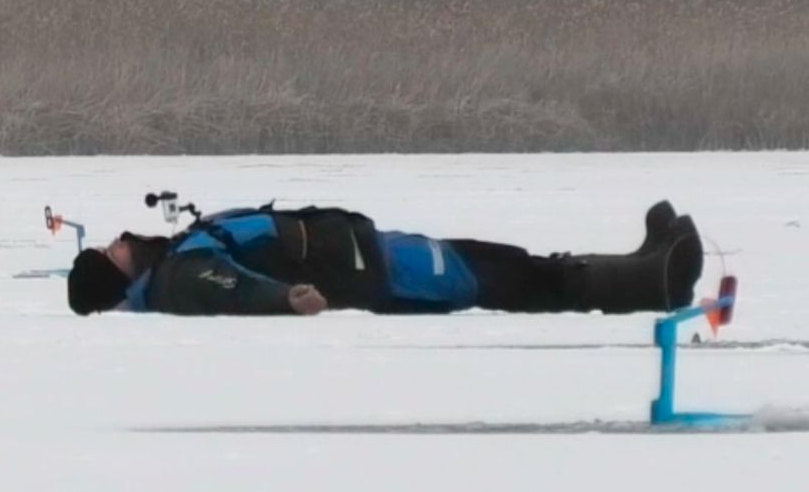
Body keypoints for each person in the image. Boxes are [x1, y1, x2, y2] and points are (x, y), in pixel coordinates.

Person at [67, 200, 705, 317]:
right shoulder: (181, 277)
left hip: (371, 252)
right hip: (375, 274)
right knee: (516, 278)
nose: (121, 237)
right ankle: (653, 282)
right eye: (110, 249)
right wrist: (285, 299)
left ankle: (640, 268)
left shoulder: (174, 260)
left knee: (511, 263)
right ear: (116, 274)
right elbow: (233, 288)